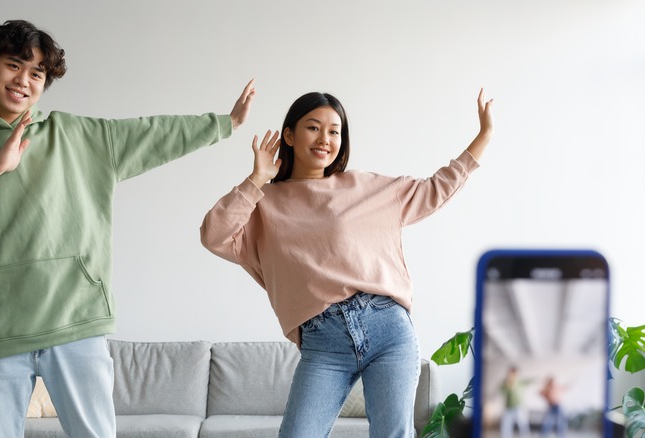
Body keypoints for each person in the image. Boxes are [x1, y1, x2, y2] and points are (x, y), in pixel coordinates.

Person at [0, 19, 254, 438]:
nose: (24, 81)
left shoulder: (80, 136)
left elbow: (154, 133)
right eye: (14, 65)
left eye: (37, 74)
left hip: (76, 321)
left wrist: (224, 124)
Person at [200, 88, 494, 437]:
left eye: (334, 131)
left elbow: (434, 189)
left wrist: (483, 137)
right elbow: (213, 234)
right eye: (313, 127)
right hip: (322, 342)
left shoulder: (364, 187)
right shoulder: (263, 204)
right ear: (289, 136)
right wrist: (255, 180)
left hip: (387, 328)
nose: (325, 138)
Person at [501, 366, 532, 438]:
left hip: (519, 407)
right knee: (506, 425)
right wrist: (508, 386)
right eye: (511, 373)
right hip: (508, 407)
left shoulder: (520, 383)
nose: (513, 375)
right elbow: (502, 392)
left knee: (523, 424)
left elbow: (529, 381)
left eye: (515, 374)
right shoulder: (505, 383)